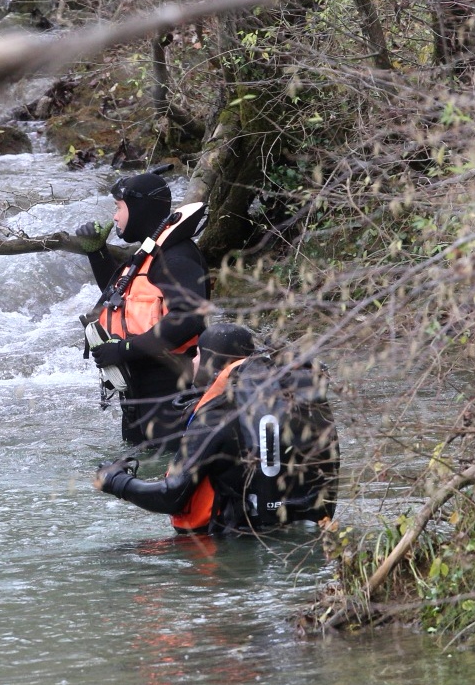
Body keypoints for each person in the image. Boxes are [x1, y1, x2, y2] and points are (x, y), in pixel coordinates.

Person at [92, 323, 339, 534]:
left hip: (229, 543)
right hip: (293, 530)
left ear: (213, 360)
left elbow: (171, 497)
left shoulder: (215, 417)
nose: (193, 359)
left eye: (198, 353)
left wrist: (116, 481)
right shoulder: (278, 404)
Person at [71, 170, 208, 453]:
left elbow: (189, 318)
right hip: (140, 389)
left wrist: (124, 350)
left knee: (162, 471)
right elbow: (118, 297)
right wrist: (97, 253)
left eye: (119, 207)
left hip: (171, 388)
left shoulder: (177, 257)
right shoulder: (149, 254)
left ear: (139, 208)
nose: (115, 216)